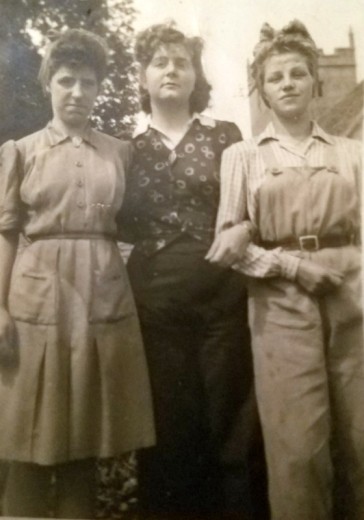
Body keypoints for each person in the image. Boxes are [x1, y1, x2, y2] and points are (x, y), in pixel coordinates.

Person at [207, 19, 364, 520]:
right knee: (298, 446)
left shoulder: (352, 152)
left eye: (299, 73)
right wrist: (293, 266)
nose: (289, 83)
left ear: (317, 82)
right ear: (263, 90)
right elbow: (229, 244)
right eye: (277, 77)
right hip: (280, 304)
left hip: (353, 297)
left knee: (362, 437)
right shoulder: (243, 156)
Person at [0, 28, 155, 519]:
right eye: (66, 81)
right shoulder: (21, 151)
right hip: (37, 298)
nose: (77, 92)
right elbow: (5, 232)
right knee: (26, 440)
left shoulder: (120, 152)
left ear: (98, 88)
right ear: (49, 84)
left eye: (88, 83)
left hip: (101, 294)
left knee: (83, 442)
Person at [118, 21, 255, 520]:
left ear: (197, 76)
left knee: (229, 416)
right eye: (160, 62)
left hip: (223, 294)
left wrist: (244, 228)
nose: (172, 70)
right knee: (168, 422)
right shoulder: (125, 151)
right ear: (143, 77)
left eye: (182, 62)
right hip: (154, 302)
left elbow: (256, 205)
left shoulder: (228, 138)